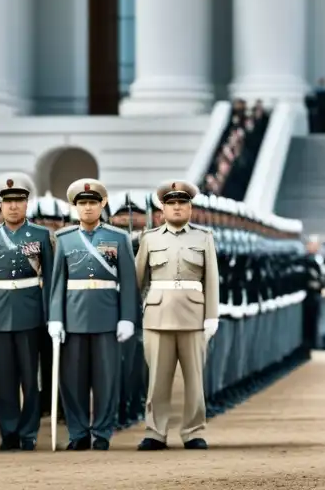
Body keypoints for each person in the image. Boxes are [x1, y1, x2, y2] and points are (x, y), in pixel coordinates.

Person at [48, 178, 138, 450]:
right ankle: (77, 433)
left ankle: (101, 432)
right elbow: (57, 283)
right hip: (73, 317)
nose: (87, 208)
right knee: (71, 381)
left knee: (105, 380)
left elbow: (128, 282)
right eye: (82, 203)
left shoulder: (118, 237)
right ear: (75, 207)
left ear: (102, 204)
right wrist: (55, 317)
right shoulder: (63, 238)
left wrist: (127, 317)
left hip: (107, 317)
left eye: (92, 203)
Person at [135, 180, 219, 451]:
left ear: (190, 207)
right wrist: (134, 315)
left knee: (194, 379)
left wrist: (211, 316)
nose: (177, 208)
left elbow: (212, 280)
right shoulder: (149, 238)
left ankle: (193, 430)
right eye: (171, 203)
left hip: (194, 315)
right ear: (162, 208)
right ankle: (156, 431)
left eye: (182, 203)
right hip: (157, 316)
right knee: (157, 378)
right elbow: (139, 280)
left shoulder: (204, 237)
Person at [0, 172, 54, 450]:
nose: (13, 206)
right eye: (8, 201)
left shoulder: (41, 235)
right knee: (5, 377)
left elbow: (50, 278)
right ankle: (8, 431)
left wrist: (49, 315)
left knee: (29, 376)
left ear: (27, 204)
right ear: (0, 205)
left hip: (30, 311)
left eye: (19, 201)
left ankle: (28, 432)